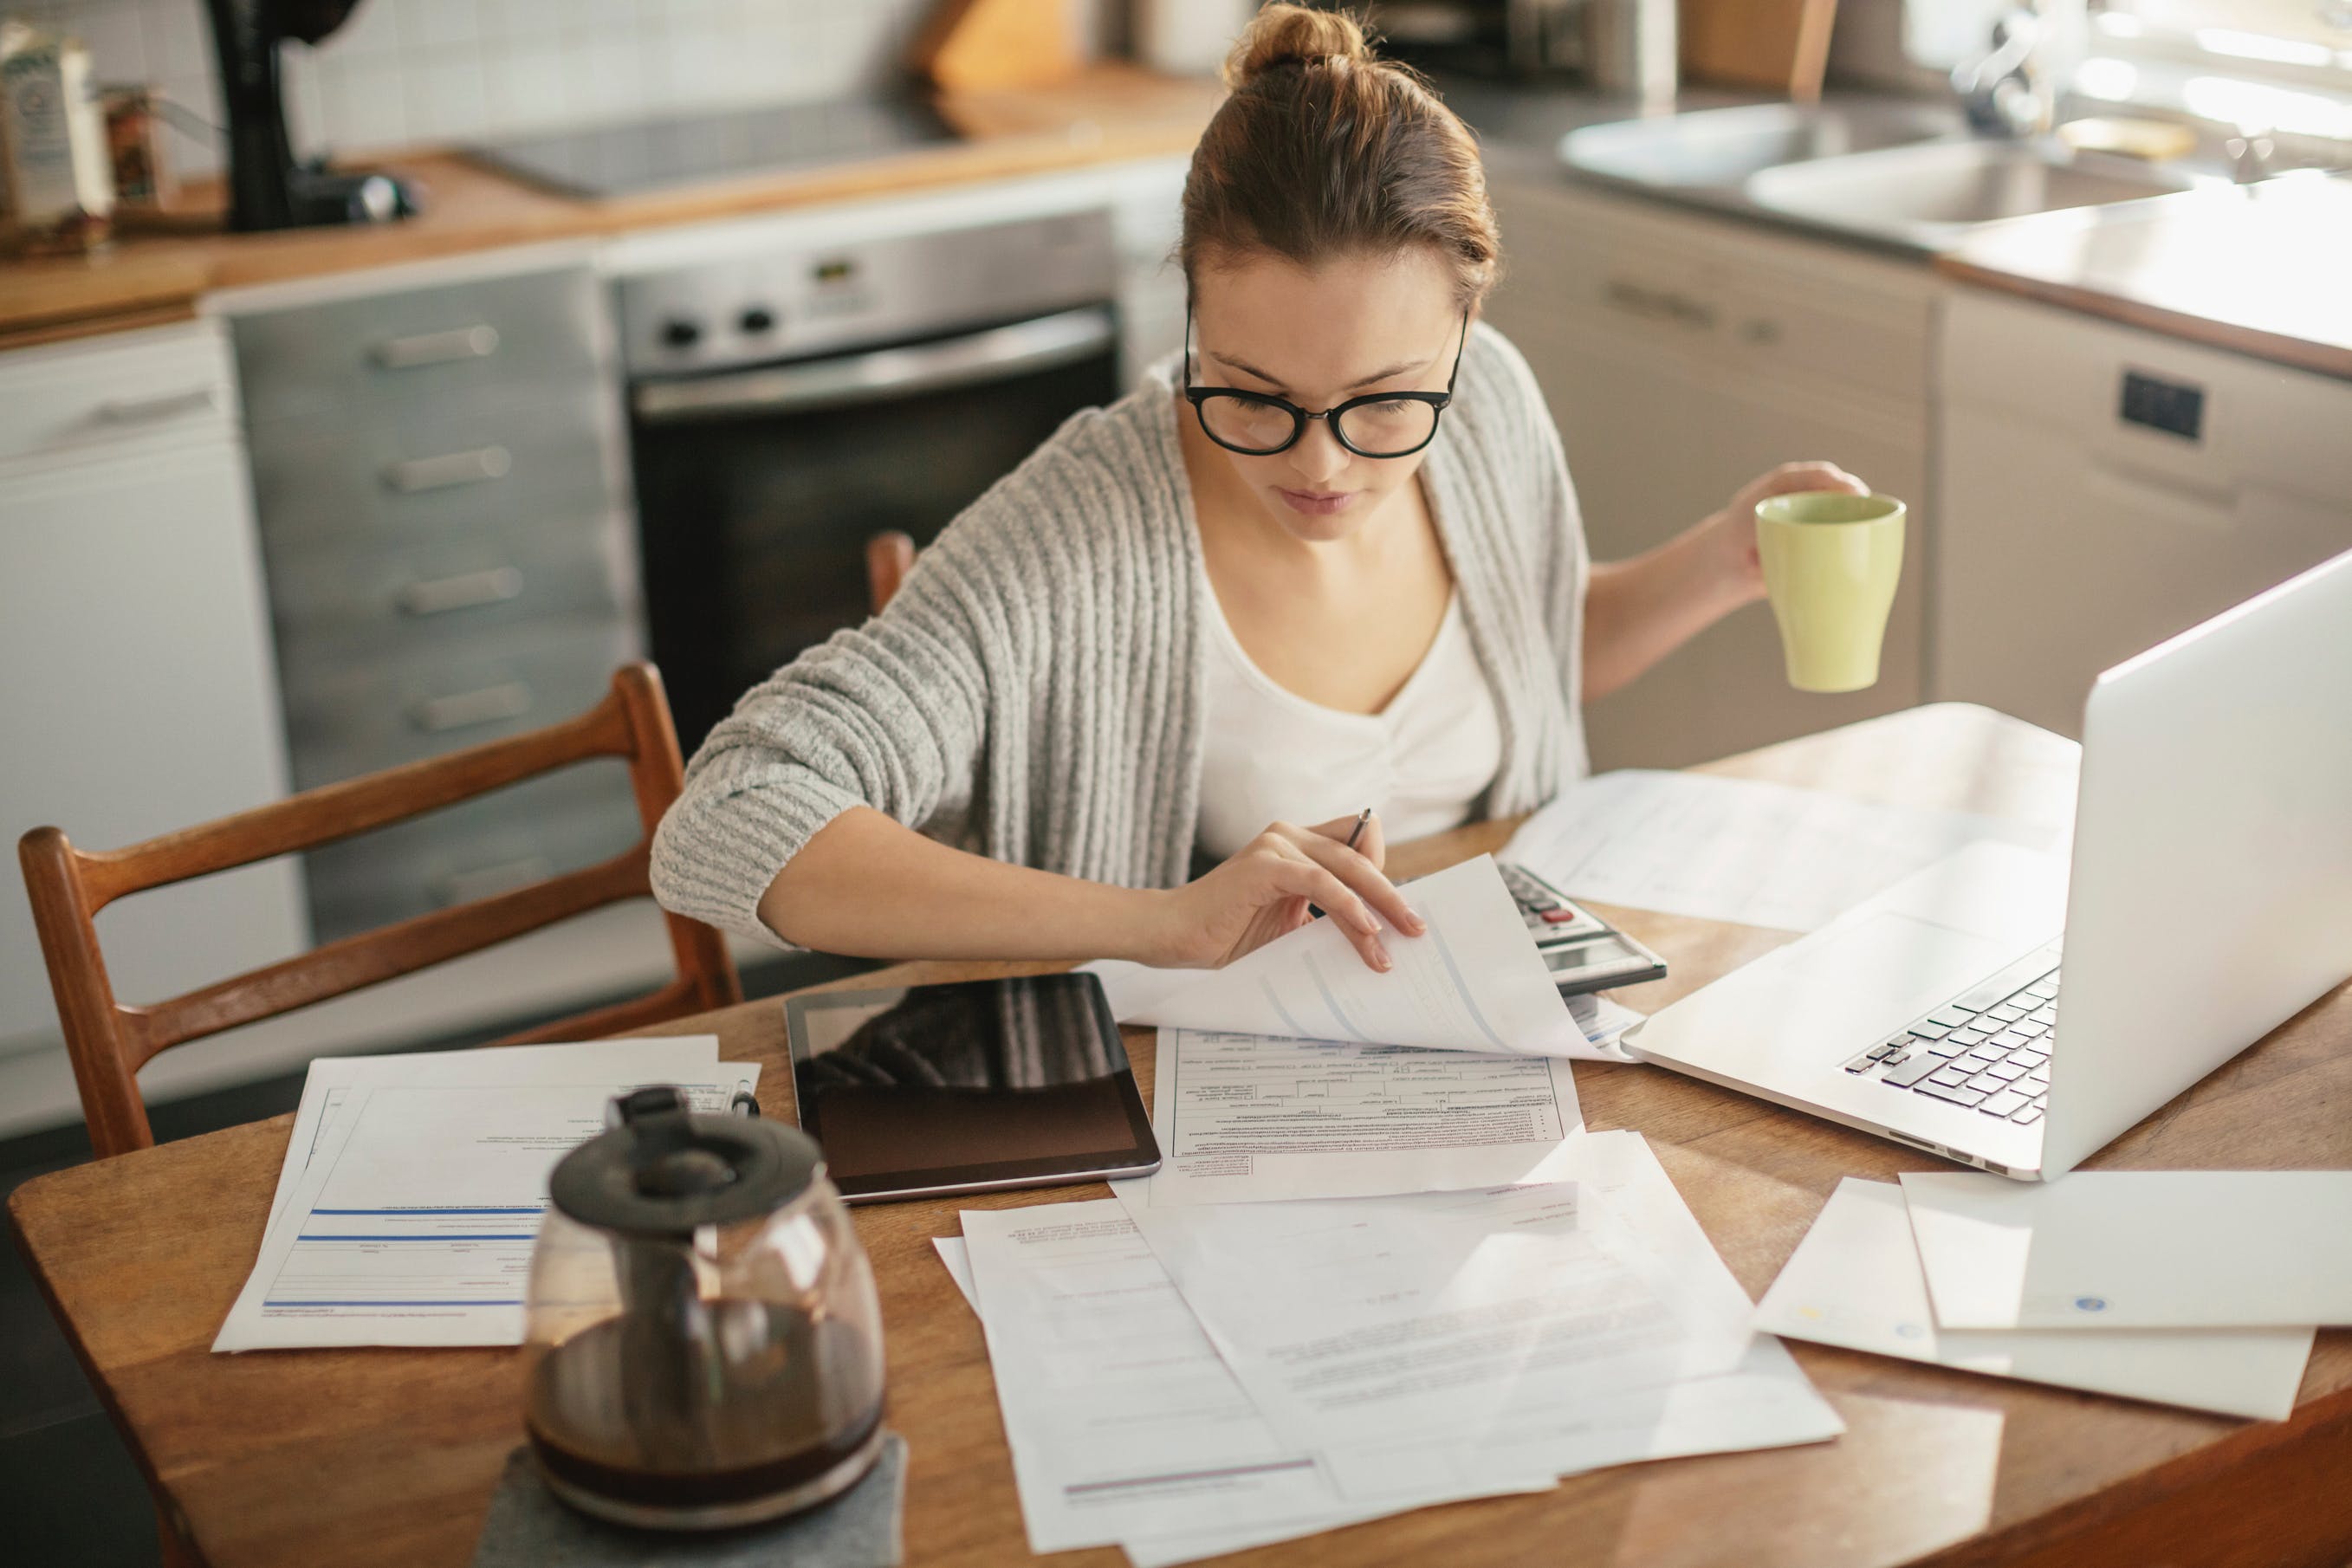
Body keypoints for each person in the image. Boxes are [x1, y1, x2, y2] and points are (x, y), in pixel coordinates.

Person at [651, 4, 1865, 975]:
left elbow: (1533, 644)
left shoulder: (1489, 404)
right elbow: (731, 816)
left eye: (1387, 401)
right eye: (1252, 391)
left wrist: (1719, 561)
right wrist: (1159, 922)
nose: (1321, 463)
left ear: (1465, 330)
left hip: (1494, 1043)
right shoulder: (1081, 532)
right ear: (1189, 313)